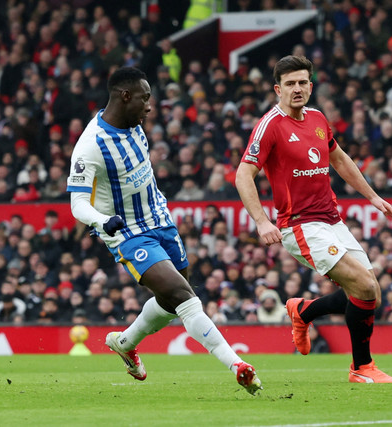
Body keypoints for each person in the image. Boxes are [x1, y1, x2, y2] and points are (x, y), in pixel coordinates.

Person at [67, 67, 261, 394]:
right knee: (184, 295)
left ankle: (126, 342)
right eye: (145, 98)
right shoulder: (90, 146)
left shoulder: (135, 126)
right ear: (124, 96)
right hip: (127, 233)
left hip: (160, 220)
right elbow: (77, 204)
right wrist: (102, 222)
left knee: (171, 300)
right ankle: (237, 364)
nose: (149, 106)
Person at [236, 55, 392, 384]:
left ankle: (304, 311)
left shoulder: (318, 118)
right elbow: (243, 174)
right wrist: (261, 221)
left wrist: (373, 197)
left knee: (371, 295)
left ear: (310, 86)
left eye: (302, 83)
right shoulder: (270, 125)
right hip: (299, 226)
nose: (297, 89)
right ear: (277, 89)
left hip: (332, 220)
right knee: (364, 286)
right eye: (290, 84)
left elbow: (339, 158)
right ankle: (361, 367)